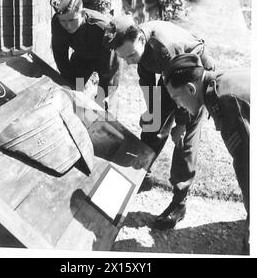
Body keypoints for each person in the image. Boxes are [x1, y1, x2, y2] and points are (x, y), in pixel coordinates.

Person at [103, 14, 216, 230]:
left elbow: (183, 88)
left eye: (130, 55)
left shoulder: (164, 47)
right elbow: (146, 80)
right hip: (170, 76)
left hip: (193, 77)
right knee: (151, 126)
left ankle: (179, 204)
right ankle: (142, 176)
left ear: (141, 40)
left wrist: (181, 125)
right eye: (123, 57)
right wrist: (152, 113)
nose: (128, 60)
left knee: (184, 142)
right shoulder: (138, 44)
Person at [163, 53, 250, 251]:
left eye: (177, 97)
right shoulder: (217, 82)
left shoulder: (224, 101)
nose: (177, 104)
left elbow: (248, 165)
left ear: (191, 88)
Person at [50, 0, 121, 108]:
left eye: (72, 20)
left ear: (82, 14)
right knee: (73, 92)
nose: (67, 25)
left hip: (107, 60)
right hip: (82, 56)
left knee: (104, 104)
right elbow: (60, 54)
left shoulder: (102, 28)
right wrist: (68, 79)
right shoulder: (58, 23)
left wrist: (102, 96)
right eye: (63, 20)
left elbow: (109, 69)